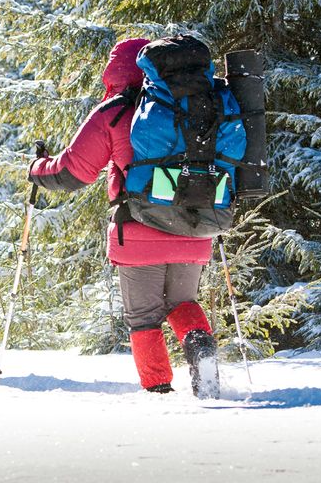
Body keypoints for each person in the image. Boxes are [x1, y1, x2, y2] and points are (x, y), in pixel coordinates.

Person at [28, 38, 220, 398]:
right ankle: (200, 348)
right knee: (184, 304)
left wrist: (38, 169)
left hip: (138, 229)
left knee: (144, 317)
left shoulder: (115, 111)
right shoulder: (196, 103)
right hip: (196, 226)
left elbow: (73, 172)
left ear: (115, 72)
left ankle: (158, 391)